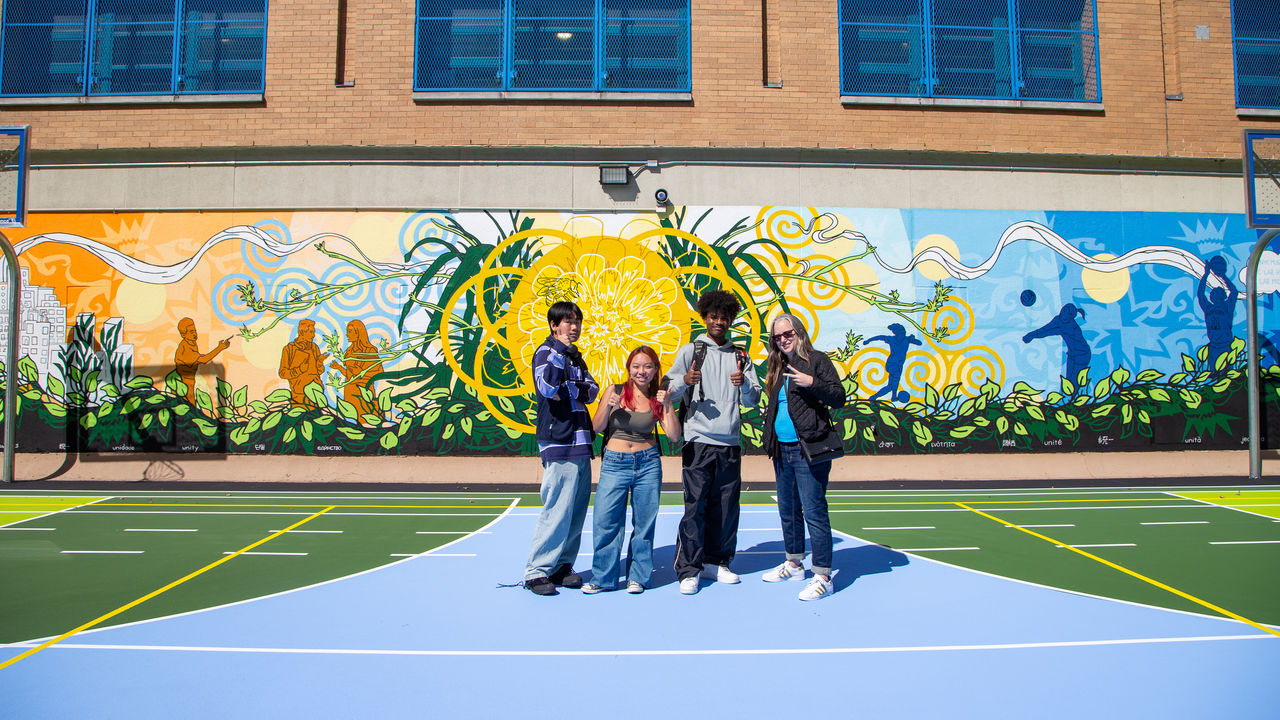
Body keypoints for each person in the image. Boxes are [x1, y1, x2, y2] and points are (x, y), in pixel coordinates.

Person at [664, 289, 762, 595]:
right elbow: (667, 390)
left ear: (731, 320)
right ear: (705, 317)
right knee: (695, 506)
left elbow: (754, 398)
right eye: (713, 316)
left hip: (730, 441)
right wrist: (685, 381)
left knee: (726, 505)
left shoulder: (740, 355)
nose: (718, 322)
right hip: (698, 440)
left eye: (724, 317)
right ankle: (689, 569)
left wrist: (744, 384)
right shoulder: (690, 351)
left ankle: (718, 561)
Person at [581, 346, 681, 595]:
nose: (641, 371)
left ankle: (638, 576)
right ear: (628, 369)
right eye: (636, 366)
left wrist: (667, 404)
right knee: (606, 521)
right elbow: (597, 426)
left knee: (644, 523)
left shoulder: (659, 397)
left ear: (656, 369)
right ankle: (603, 577)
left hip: (648, 464)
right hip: (615, 463)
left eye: (647, 366)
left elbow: (674, 435)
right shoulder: (614, 391)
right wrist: (607, 405)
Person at [760, 313, 846, 601]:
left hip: (808, 449)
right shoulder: (778, 365)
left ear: (799, 333)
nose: (783, 339)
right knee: (788, 510)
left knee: (814, 512)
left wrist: (812, 382)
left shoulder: (817, 360)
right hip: (782, 450)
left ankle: (822, 575)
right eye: (778, 336)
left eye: (788, 334)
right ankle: (794, 563)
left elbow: (838, 396)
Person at [523, 301, 599, 596]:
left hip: (581, 443)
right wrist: (567, 378)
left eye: (577, 322)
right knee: (557, 508)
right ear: (554, 325)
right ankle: (537, 571)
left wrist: (571, 386)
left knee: (576, 511)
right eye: (568, 322)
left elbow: (591, 390)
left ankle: (562, 566)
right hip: (559, 442)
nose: (575, 327)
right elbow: (547, 388)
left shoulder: (575, 358)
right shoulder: (547, 353)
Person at [329, 319, 384, 422]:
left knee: (367, 419)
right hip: (350, 390)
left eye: (350, 331)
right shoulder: (349, 351)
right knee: (351, 420)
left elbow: (378, 372)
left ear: (358, 333)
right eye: (347, 331)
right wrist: (339, 368)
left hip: (364, 391)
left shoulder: (370, 351)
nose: (347, 334)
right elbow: (349, 375)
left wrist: (361, 372)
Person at [173, 317, 230, 406]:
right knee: (189, 403)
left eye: (194, 331)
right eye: (191, 332)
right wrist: (220, 348)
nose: (194, 334)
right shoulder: (186, 348)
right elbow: (204, 360)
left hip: (189, 378)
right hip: (185, 379)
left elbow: (200, 358)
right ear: (184, 335)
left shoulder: (191, 343)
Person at [278, 319, 329, 408]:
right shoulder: (289, 349)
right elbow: (282, 373)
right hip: (299, 395)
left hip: (315, 393)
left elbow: (319, 371)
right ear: (302, 332)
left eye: (313, 332)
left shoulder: (314, 347)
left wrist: (319, 362)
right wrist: (299, 370)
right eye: (310, 332)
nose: (313, 335)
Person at [1198, 255, 1238, 366]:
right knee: (1214, 376)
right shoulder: (1208, 308)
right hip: (1214, 346)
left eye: (1216, 293)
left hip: (1225, 345)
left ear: (1223, 296)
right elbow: (1200, 294)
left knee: (1227, 376)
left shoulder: (1227, 307)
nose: (1213, 294)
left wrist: (1223, 276)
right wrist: (1205, 274)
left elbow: (1234, 292)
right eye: (1212, 293)